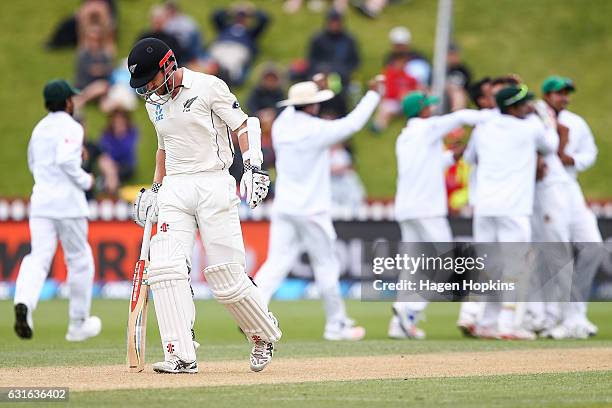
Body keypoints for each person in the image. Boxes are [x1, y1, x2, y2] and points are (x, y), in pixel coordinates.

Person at [127, 38, 280, 374]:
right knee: (167, 270)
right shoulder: (154, 102)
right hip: (175, 188)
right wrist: (155, 188)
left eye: (151, 79)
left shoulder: (208, 86)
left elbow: (244, 124)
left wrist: (253, 166)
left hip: (213, 182)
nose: (149, 89)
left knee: (226, 277)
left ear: (168, 65)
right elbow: (163, 146)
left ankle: (262, 334)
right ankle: (180, 354)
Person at [254, 79, 383, 341]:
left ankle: (253, 314)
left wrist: (312, 88)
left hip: (285, 206)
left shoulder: (281, 124)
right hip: (312, 210)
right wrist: (372, 94)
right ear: (311, 106)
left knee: (276, 263)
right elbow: (353, 124)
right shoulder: (316, 129)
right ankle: (336, 326)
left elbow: (295, 108)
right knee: (326, 266)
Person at [389, 91, 490, 340]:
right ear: (421, 111)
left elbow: (429, 163)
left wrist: (452, 156)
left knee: (412, 268)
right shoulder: (427, 127)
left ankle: (399, 325)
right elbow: (462, 116)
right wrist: (492, 117)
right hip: (427, 209)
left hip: (406, 209)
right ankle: (409, 309)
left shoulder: (405, 136)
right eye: (428, 107)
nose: (432, 110)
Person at [463, 85, 559, 340]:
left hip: (484, 206)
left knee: (487, 264)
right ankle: (507, 325)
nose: (529, 106)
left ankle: (482, 320)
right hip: (513, 208)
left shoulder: (483, 128)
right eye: (525, 103)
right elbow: (551, 145)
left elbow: (470, 157)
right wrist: (546, 118)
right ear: (514, 107)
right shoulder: (530, 127)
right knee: (516, 265)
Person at [13, 80, 100, 342]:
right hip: (68, 204)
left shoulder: (39, 129)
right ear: (67, 102)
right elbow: (65, 159)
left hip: (41, 202)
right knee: (80, 260)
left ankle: (24, 304)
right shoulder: (72, 126)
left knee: (38, 257)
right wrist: (86, 180)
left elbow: (33, 163)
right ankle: (78, 324)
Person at [530, 76, 602, 339]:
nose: (564, 98)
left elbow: (590, 153)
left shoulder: (576, 122)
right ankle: (559, 317)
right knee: (557, 253)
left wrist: (572, 159)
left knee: (592, 246)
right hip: (547, 190)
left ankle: (576, 316)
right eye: (559, 93)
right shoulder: (535, 116)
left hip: (570, 186)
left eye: (566, 93)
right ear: (547, 95)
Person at [307, 9, 360, 115]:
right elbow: (312, 60)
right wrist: (321, 70)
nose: (335, 25)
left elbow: (355, 61)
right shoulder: (318, 39)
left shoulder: (349, 40)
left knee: (338, 88)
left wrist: (343, 71)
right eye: (332, 22)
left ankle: (340, 115)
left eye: (337, 22)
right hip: (321, 74)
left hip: (342, 77)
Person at [210, 3, 270, 85]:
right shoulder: (226, 27)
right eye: (239, 16)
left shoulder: (250, 33)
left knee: (232, 63)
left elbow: (264, 19)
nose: (241, 19)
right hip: (221, 47)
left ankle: (226, 77)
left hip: (238, 50)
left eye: (244, 17)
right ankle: (218, 74)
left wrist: (253, 11)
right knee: (214, 59)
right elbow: (215, 15)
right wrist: (229, 10)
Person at [98, 85, 140, 194]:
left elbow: (127, 151)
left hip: (126, 166)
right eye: (116, 119)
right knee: (107, 164)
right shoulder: (107, 133)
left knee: (111, 170)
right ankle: (112, 185)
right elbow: (104, 151)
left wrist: (120, 135)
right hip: (111, 165)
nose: (118, 122)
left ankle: (108, 184)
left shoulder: (131, 132)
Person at [74, 24, 114, 108]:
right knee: (100, 86)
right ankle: (82, 99)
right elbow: (82, 73)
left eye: (97, 40)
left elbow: (110, 70)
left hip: (102, 88)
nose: (94, 43)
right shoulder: (83, 54)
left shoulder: (104, 54)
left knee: (102, 86)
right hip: (85, 86)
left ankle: (82, 99)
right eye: (92, 40)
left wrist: (101, 70)